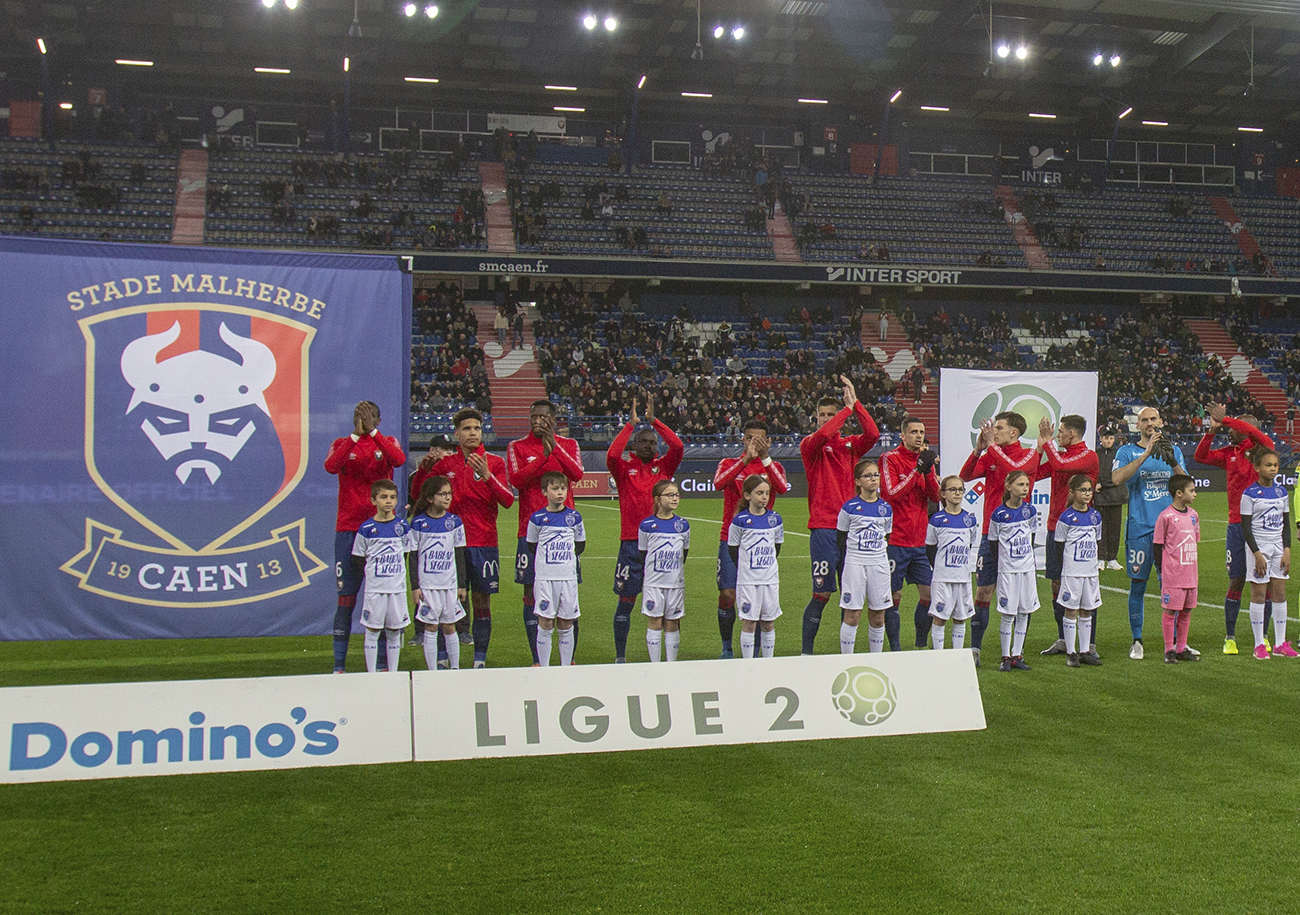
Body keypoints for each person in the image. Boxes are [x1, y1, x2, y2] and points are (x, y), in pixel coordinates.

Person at [799, 377, 880, 654]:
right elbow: (823, 436)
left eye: (830, 415)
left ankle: (845, 652)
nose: (825, 419)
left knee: (851, 596)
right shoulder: (811, 445)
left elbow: (873, 435)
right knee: (821, 593)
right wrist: (846, 411)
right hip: (823, 528)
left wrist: (856, 405)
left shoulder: (849, 446)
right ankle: (806, 653)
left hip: (851, 530)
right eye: (822, 415)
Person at [324, 400, 406, 673]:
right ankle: (338, 665)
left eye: (370, 417)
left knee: (383, 597)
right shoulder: (342, 443)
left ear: (379, 420)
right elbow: (331, 466)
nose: (364, 420)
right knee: (346, 596)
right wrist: (356, 436)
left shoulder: (386, 442)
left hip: (383, 533)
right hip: (348, 528)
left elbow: (399, 460)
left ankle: (383, 665)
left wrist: (372, 433)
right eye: (360, 416)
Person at [429, 408, 514, 668]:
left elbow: (508, 500)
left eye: (477, 428)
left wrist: (487, 476)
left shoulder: (495, 463)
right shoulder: (444, 466)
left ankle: (480, 659)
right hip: (449, 545)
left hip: (483, 542)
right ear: (457, 434)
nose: (473, 433)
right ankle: (444, 658)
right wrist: (424, 470)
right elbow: (423, 498)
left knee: (481, 601)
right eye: (467, 429)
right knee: (446, 601)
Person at [606, 396, 684, 662]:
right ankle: (620, 657)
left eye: (653, 442)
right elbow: (612, 454)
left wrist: (655, 422)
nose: (649, 445)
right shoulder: (624, 469)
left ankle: (668, 659)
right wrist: (630, 425)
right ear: (635, 445)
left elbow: (678, 445)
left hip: (662, 546)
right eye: (644, 441)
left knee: (669, 609)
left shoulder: (663, 467)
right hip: (630, 544)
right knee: (625, 602)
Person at [959, 411, 1039, 667]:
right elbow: (965, 476)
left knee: (1020, 598)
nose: (994, 432)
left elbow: (1011, 470)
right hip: (989, 534)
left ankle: (1015, 653)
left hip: (1016, 538)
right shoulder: (991, 453)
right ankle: (975, 648)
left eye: (1000, 428)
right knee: (983, 590)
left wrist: (991, 448)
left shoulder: (1028, 454)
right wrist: (978, 450)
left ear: (1014, 433)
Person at [1192, 403, 1274, 655]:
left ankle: (1264, 636)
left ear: (1247, 430)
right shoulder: (1230, 453)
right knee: (1237, 580)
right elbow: (1200, 457)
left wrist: (1226, 418)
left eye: (1236, 428)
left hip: (1261, 527)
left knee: (1265, 583)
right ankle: (1230, 637)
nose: (1231, 432)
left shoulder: (1263, 450)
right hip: (1236, 526)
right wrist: (1212, 430)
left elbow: (1257, 435)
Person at [507, 399, 584, 664]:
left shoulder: (569, 445)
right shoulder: (516, 446)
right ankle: (537, 659)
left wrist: (555, 446)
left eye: (543, 416)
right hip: (530, 531)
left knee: (568, 595)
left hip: (564, 533)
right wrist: (543, 456)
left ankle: (568, 659)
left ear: (553, 419)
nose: (538, 420)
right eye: (534, 416)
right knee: (530, 594)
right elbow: (517, 481)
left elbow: (575, 474)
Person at [1111, 406, 1188, 661]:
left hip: (1171, 531)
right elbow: (1117, 478)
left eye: (1153, 419)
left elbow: (1186, 486)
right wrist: (1146, 454)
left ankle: (1177, 643)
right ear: (1138, 426)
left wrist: (1173, 461)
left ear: (1161, 421)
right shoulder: (1126, 451)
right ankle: (1137, 640)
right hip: (1140, 527)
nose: (1149, 423)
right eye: (1144, 420)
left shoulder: (1173, 450)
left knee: (1172, 586)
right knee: (1138, 584)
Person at [713, 420, 789, 658]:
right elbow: (718, 483)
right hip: (731, 538)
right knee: (727, 593)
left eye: (759, 439)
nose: (753, 443)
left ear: (767, 441)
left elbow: (782, 488)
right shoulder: (729, 463)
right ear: (742, 439)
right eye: (749, 438)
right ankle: (727, 646)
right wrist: (745, 459)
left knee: (760, 598)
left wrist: (765, 457)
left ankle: (756, 649)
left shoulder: (773, 465)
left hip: (762, 541)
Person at [1034, 415, 1100, 659]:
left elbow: (1061, 465)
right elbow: (1037, 472)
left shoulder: (1088, 456)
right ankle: (1064, 638)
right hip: (1056, 526)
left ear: (1072, 433)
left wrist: (1048, 442)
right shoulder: (1059, 455)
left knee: (1084, 586)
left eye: (1061, 431)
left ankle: (1088, 644)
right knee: (1056, 583)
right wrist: (1039, 448)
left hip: (1080, 530)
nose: (1058, 435)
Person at [880, 416, 940, 651]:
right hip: (896, 539)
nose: (919, 436)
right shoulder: (890, 459)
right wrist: (917, 470)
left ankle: (919, 645)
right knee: (894, 597)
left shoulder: (925, 461)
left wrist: (927, 470)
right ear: (902, 435)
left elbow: (935, 497)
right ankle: (895, 648)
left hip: (920, 541)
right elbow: (892, 494)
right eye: (914, 431)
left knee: (928, 596)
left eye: (922, 431)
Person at [406, 476, 468, 671]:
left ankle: (455, 668)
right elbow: (413, 557)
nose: (448, 498)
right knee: (431, 627)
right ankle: (432, 671)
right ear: (430, 498)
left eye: (449, 494)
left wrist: (462, 584)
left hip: (448, 584)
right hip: (428, 585)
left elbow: (459, 555)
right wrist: (415, 587)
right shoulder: (418, 523)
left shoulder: (455, 522)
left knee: (450, 626)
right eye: (443, 494)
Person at [350, 480, 411, 673]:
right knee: (373, 630)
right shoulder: (367, 528)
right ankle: (372, 674)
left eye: (392, 497)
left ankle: (392, 674)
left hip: (396, 589)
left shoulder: (402, 526)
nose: (388, 501)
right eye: (383, 497)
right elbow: (358, 559)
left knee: (394, 630)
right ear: (373, 500)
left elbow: (406, 554)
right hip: (375, 589)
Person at [526, 472, 586, 667]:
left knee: (566, 622)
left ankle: (565, 666)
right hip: (545, 578)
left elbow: (580, 545)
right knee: (545, 622)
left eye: (563, 488)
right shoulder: (537, 518)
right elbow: (532, 546)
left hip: (567, 578)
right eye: (554, 488)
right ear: (545, 492)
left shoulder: (574, 517)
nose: (560, 493)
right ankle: (544, 668)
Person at [1239, 450, 1293, 659]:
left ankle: (1280, 643)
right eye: (1268, 465)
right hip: (1259, 548)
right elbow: (1245, 528)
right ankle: (1259, 644)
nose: (1272, 469)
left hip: (1278, 547)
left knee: (1279, 593)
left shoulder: (1282, 493)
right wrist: (1256, 554)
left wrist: (1287, 550)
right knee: (1259, 594)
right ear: (1257, 467)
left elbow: (1285, 525)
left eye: (1275, 465)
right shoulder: (1250, 494)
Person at [835, 460, 893, 653]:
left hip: (879, 563)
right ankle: (847, 659)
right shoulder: (849, 507)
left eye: (876, 475)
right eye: (868, 476)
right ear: (858, 482)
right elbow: (841, 537)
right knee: (852, 614)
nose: (873, 479)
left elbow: (887, 535)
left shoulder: (886, 508)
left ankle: (875, 659)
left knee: (878, 615)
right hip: (855, 563)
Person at [408, 434, 457, 651]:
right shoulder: (420, 473)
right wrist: (423, 472)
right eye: (443, 448)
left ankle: (459, 630)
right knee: (423, 579)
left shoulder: (453, 472)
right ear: (432, 450)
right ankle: (421, 630)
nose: (448, 452)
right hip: (425, 529)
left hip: (448, 529)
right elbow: (415, 494)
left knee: (451, 580)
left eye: (450, 449)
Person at [728, 475, 784, 659]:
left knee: (768, 623)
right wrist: (746, 569)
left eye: (766, 493)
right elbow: (733, 550)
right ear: (747, 496)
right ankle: (748, 663)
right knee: (749, 623)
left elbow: (777, 547)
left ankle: (768, 662)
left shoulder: (775, 519)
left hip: (770, 580)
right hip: (748, 581)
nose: (764, 497)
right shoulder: (740, 521)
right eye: (759, 493)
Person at [988, 471, 1038, 672]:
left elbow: (1031, 536)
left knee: (1024, 611)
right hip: (1008, 571)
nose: (1024, 488)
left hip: (1027, 569)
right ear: (1009, 487)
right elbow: (993, 543)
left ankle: (1018, 654)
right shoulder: (999, 514)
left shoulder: (1030, 511)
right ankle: (1005, 656)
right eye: (1020, 485)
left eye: (1026, 485)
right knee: (1008, 613)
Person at [1054, 474, 1104, 668]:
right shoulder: (1066, 517)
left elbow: (1097, 540)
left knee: (1087, 610)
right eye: (1082, 490)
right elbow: (1059, 546)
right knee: (1071, 609)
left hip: (1090, 572)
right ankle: (1071, 652)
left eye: (1089, 490)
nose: (1086, 494)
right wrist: (1066, 569)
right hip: (1073, 572)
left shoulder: (1095, 516)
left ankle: (1085, 651)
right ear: (1072, 493)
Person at [925, 476, 980, 651]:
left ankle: (957, 656)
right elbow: (931, 548)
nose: (957, 493)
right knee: (940, 617)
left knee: (961, 617)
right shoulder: (937, 520)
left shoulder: (970, 520)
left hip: (963, 577)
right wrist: (940, 567)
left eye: (960, 489)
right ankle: (939, 657)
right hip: (943, 578)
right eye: (953, 489)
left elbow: (969, 544)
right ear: (943, 494)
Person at [1153, 474, 1203, 664]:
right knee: (1170, 611)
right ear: (1179, 493)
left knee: (1187, 611)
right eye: (1192, 491)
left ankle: (1181, 647)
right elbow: (1157, 545)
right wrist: (1162, 568)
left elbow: (1194, 542)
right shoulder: (1165, 517)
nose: (1195, 494)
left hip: (1190, 573)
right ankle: (1169, 649)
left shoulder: (1193, 515)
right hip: (1173, 574)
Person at [639, 480, 690, 662]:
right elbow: (643, 553)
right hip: (654, 582)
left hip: (675, 583)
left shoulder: (683, 525)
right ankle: (655, 664)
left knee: (672, 622)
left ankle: (671, 664)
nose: (674, 498)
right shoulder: (647, 525)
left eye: (676, 494)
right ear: (657, 500)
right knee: (654, 620)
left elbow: (684, 552)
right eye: (670, 495)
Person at [1093, 427, 1126, 571]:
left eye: (1111, 438)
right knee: (1101, 529)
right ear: (1100, 439)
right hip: (1100, 497)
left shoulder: (1119, 454)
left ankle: (1112, 558)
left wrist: (1102, 484)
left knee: (1114, 529)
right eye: (1106, 438)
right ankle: (1100, 558)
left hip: (1115, 496)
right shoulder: (1096, 454)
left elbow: (1120, 475)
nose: (1108, 441)